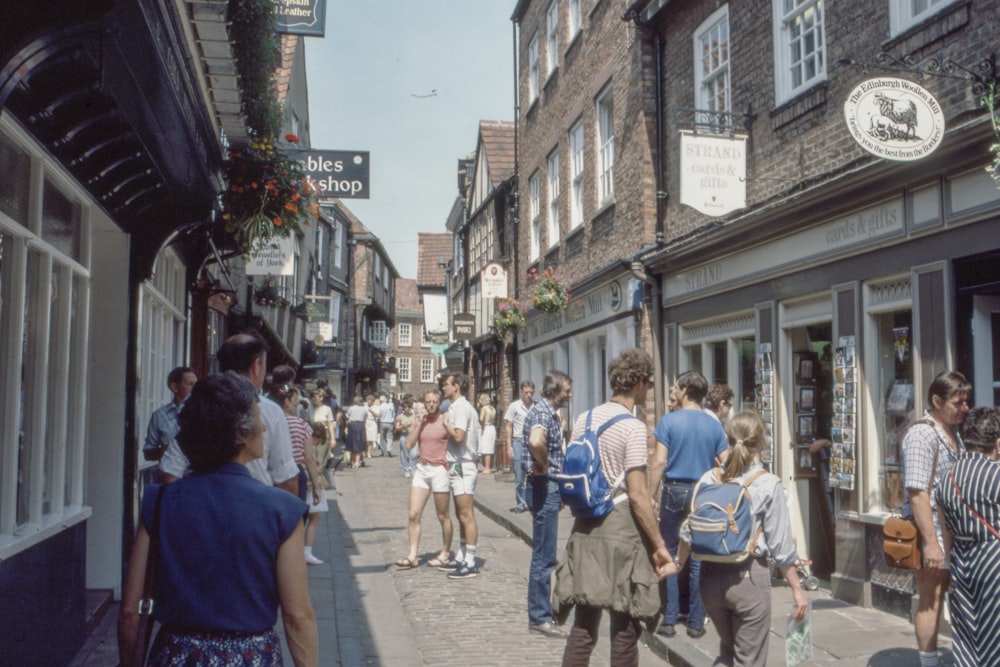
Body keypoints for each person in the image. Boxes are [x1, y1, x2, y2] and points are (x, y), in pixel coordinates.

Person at [118, 372, 318, 666]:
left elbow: (130, 610)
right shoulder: (282, 510)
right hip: (249, 656)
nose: (263, 426)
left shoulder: (160, 501)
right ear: (239, 432)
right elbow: (298, 617)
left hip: (176, 654)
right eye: (256, 417)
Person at [554, 349, 678, 665]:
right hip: (620, 529)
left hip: (585, 525)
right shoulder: (633, 427)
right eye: (648, 384)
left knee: (583, 626)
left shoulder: (586, 418)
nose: (648, 391)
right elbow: (637, 495)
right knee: (624, 627)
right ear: (637, 382)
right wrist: (660, 545)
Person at [677, 411, 809, 667]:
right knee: (748, 659)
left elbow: (687, 530)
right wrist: (797, 589)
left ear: (727, 440)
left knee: (728, 652)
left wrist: (677, 563)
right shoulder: (769, 484)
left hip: (708, 578)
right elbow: (781, 548)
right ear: (762, 442)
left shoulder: (710, 478)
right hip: (747, 579)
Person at [649, 371, 729, 639]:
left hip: (674, 490)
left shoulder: (669, 421)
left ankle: (670, 618)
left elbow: (659, 462)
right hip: (703, 493)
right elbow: (727, 462)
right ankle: (696, 620)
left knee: (671, 553)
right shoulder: (714, 425)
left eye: (675, 387)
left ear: (683, 390)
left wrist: (651, 492)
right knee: (697, 556)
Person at [901, 370, 971, 667]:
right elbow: (918, 494)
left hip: (955, 531)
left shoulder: (952, 434)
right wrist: (931, 543)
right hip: (934, 531)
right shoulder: (922, 434)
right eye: (958, 403)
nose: (965, 408)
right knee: (932, 598)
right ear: (936, 401)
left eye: (966, 402)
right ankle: (929, 662)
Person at [936, 406, 1000, 667]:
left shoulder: (947, 476)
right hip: (994, 561)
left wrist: (950, 565)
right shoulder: (996, 475)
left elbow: (945, 528)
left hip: (962, 562)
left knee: (967, 634)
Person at [523, 369, 573, 637]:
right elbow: (535, 440)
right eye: (566, 390)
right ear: (554, 391)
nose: (570, 394)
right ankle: (540, 617)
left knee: (543, 553)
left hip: (547, 486)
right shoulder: (543, 413)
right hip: (544, 486)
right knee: (543, 555)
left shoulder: (547, 412)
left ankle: (540, 613)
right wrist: (543, 464)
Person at [217, 333, 299, 494]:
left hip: (200, 508)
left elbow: (171, 470)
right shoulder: (269, 410)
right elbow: (285, 477)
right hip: (254, 505)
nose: (261, 428)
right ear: (256, 366)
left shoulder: (195, 406)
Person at [393, 389, 454, 570]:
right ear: (424, 403)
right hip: (422, 468)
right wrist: (419, 423)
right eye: (428, 401)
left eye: (435, 401)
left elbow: (456, 440)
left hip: (440, 469)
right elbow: (409, 444)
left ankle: (445, 552)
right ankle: (412, 555)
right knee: (413, 514)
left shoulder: (445, 419)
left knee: (442, 515)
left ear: (439, 402)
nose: (431, 404)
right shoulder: (421, 421)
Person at [268, 384, 325, 565]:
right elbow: (309, 458)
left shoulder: (272, 421)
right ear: (286, 402)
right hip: (295, 472)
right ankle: (291, 558)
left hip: (272, 472)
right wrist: (316, 487)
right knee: (296, 518)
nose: (296, 407)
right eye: (294, 403)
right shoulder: (302, 425)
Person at [439, 373, 481, 579]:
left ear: (456, 386)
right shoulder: (456, 407)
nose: (443, 388)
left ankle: (471, 561)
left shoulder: (461, 408)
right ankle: (463, 555)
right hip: (457, 464)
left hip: (463, 465)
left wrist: (445, 423)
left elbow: (458, 436)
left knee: (466, 514)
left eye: (446, 385)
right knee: (460, 513)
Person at [142, 366, 197, 483]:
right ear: (175, 387)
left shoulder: (203, 414)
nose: (195, 389)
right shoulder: (159, 416)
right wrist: (164, 450)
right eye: (190, 384)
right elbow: (147, 453)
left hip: (196, 479)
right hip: (169, 480)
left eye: (196, 384)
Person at [503, 380, 536, 513]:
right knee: (519, 475)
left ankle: (531, 501)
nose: (529, 395)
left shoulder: (537, 407)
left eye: (531, 392)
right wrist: (508, 446)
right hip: (518, 442)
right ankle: (520, 503)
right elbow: (508, 426)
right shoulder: (514, 406)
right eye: (526, 392)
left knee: (533, 474)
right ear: (521, 392)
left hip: (533, 442)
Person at [305, 423, 332, 567]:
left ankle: (304, 551)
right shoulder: (308, 443)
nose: (317, 444)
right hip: (310, 484)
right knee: (314, 518)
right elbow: (309, 462)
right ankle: (306, 551)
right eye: (318, 441)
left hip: (306, 481)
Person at [395, 398, 418, 478]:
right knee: (405, 454)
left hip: (413, 436)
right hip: (404, 436)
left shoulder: (414, 416)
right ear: (403, 408)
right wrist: (402, 426)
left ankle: (414, 469)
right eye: (405, 407)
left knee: (414, 454)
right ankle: (406, 470)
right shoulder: (400, 417)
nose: (407, 409)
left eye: (408, 407)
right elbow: (397, 428)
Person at [345, 396, 368, 469]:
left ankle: (353, 462)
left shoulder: (351, 408)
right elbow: (365, 418)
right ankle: (357, 462)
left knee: (352, 444)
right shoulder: (364, 409)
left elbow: (347, 416)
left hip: (353, 425)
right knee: (359, 444)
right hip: (361, 425)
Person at [478, 393, 497, 474]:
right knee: (491, 448)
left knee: (486, 449)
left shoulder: (484, 409)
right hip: (492, 428)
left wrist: (481, 425)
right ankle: (490, 466)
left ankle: (487, 468)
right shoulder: (493, 408)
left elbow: (481, 418)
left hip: (486, 428)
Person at [365, 394, 379, 460]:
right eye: (367, 400)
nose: (368, 402)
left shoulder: (375, 407)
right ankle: (365, 452)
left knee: (371, 439)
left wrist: (372, 411)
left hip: (372, 423)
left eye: (369, 400)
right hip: (366, 423)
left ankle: (369, 452)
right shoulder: (365, 407)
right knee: (366, 439)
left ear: (372, 401)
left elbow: (378, 415)